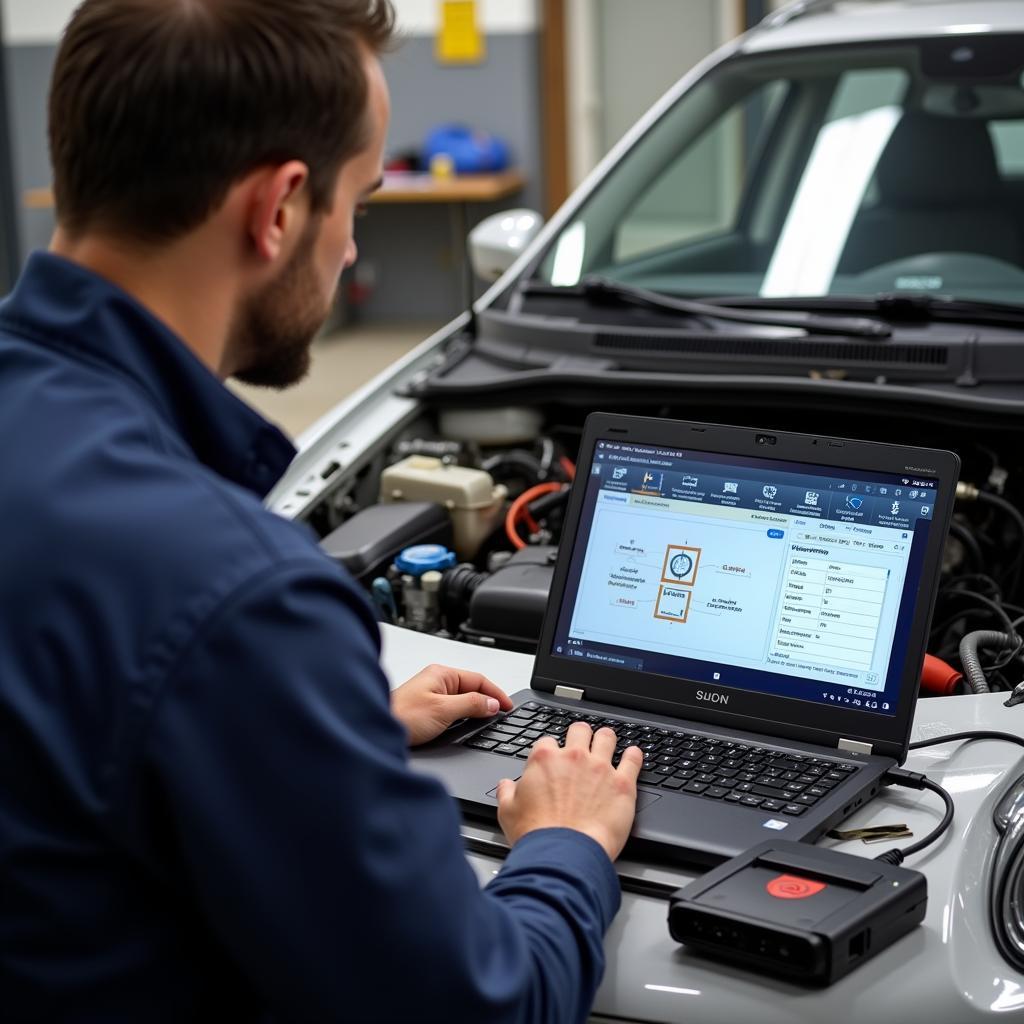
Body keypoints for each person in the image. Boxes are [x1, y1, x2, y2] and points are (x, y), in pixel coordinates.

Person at [0, 2, 645, 1021]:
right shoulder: (238, 596)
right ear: (280, 207)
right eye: (361, 199)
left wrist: (325, 734)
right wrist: (566, 842)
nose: (349, 247)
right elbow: (481, 1007)